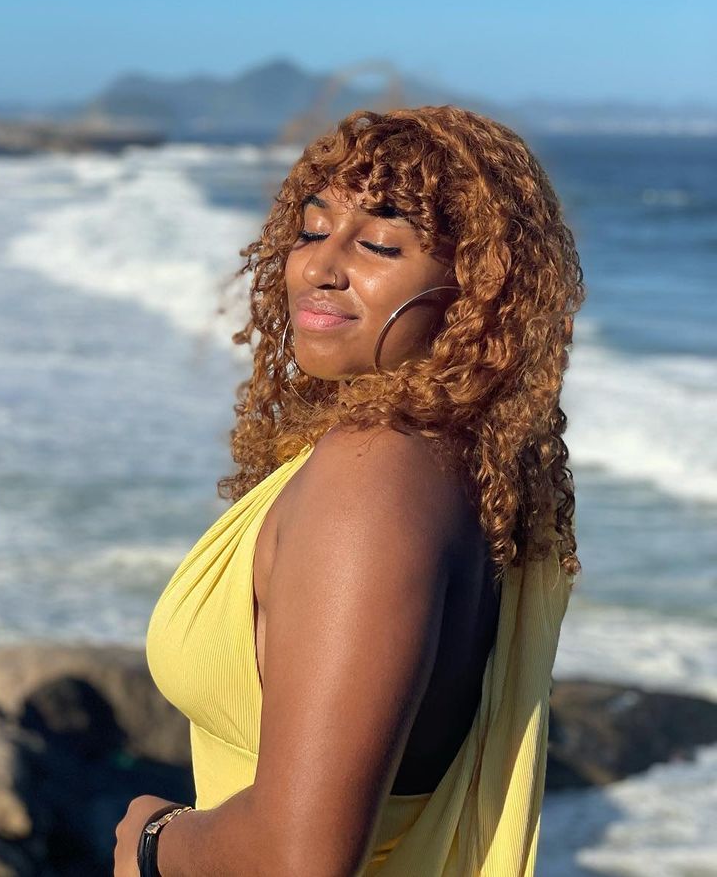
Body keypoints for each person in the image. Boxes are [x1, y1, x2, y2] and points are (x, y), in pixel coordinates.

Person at [115, 105, 584, 877]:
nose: (319, 267)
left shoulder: (376, 474)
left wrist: (154, 838)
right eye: (312, 230)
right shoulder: (456, 463)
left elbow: (298, 859)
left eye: (379, 245)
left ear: (476, 288)